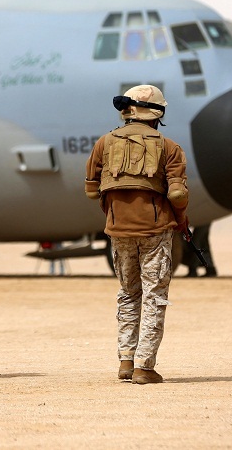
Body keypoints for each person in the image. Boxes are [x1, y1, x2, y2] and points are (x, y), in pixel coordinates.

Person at [84, 85, 188, 385]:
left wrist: (114, 211)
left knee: (128, 293)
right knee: (154, 296)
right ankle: (145, 367)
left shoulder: (104, 143)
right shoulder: (169, 147)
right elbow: (178, 194)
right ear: (158, 113)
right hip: (155, 231)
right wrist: (181, 220)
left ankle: (126, 361)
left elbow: (91, 190)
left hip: (118, 230)